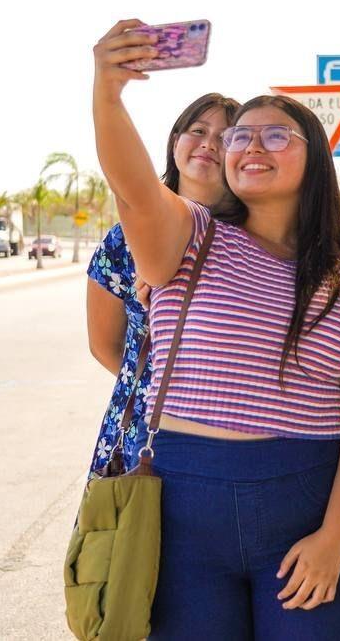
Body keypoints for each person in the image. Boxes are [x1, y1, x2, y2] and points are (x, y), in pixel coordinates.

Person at [91, 19, 340, 640]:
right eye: (240, 136)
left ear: (314, 157)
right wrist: (107, 91)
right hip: (183, 509)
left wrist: (336, 538)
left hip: (306, 508)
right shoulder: (189, 236)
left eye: (276, 134)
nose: (251, 146)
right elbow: (133, 187)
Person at [85, 91, 239, 476]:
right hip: (144, 431)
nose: (208, 143)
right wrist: (159, 384)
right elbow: (105, 346)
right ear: (175, 143)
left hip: (229, 430)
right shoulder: (124, 241)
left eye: (225, 137)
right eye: (198, 130)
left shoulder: (254, 239)